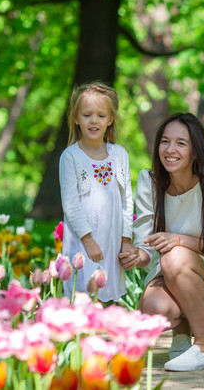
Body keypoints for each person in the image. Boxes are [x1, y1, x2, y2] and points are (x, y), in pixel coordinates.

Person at [119, 113, 204, 372]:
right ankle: (181, 337)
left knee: (174, 255)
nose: (170, 150)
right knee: (153, 308)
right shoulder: (150, 182)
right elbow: (148, 244)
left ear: (196, 150)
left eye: (181, 143)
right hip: (175, 269)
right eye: (165, 141)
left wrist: (179, 239)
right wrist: (139, 256)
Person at [59, 82, 134, 303]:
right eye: (87, 115)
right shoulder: (71, 156)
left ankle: (103, 333)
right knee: (83, 290)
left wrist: (126, 239)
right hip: (83, 238)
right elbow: (71, 203)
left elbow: (126, 200)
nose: (94, 121)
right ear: (76, 118)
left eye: (101, 115)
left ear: (110, 119)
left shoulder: (119, 154)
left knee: (105, 292)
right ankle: (81, 334)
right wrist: (88, 240)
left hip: (111, 237)